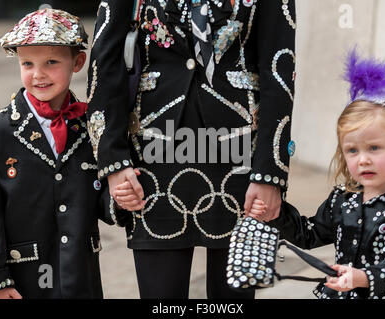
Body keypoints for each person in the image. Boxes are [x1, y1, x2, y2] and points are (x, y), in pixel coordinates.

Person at [87, 0, 296, 298]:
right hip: (153, 162)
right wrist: (113, 162)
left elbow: (280, 71)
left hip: (242, 162)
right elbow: (104, 68)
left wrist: (270, 174)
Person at [0, 8, 127, 299]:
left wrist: (119, 198)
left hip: (81, 274)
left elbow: (97, 197)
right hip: (24, 280)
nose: (38, 74)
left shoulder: (92, 127)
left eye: (52, 62)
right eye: (27, 63)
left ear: (78, 62)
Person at [249, 49, 385, 299]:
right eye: (352, 150)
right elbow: (309, 234)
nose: (363, 159)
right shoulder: (344, 197)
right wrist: (276, 214)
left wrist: (362, 278)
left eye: (374, 148)